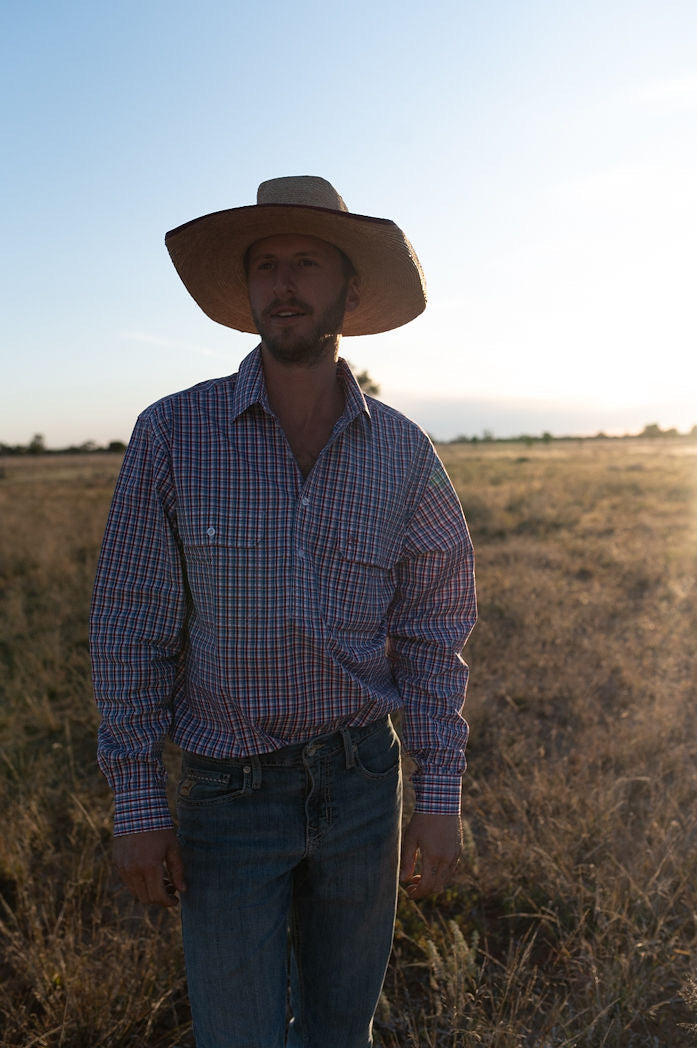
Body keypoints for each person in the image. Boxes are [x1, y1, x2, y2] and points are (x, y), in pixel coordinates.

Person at [90, 175, 477, 1048]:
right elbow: (129, 625)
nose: (283, 281)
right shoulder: (173, 434)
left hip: (362, 786)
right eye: (265, 264)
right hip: (229, 793)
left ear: (349, 288)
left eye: (306, 260)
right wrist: (139, 805)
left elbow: (432, 631)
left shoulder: (403, 454)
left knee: (343, 1033)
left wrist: (439, 793)